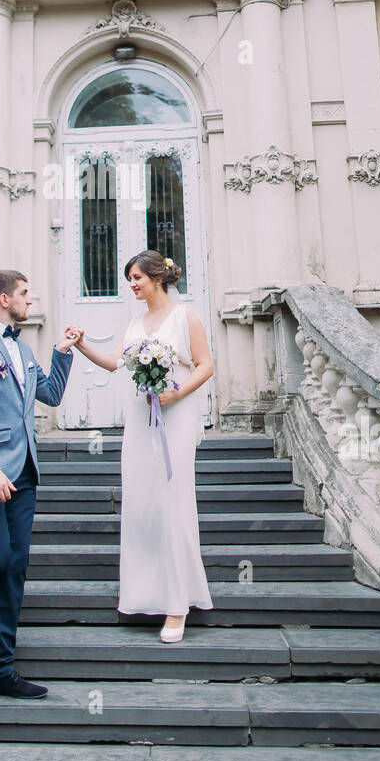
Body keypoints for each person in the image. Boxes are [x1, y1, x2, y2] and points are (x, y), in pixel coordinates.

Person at [0, 269, 81, 697]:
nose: (30, 299)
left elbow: (51, 394)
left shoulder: (22, 350)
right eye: (25, 293)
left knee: (15, 569)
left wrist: (62, 352)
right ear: (4, 299)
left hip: (24, 472)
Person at [71, 250, 214, 642]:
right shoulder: (134, 321)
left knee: (172, 501)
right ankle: (142, 594)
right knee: (142, 504)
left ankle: (176, 606)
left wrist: (176, 394)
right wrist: (83, 345)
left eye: (136, 277)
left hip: (176, 415)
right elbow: (116, 363)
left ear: (157, 277)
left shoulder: (186, 317)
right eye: (129, 279)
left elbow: (205, 365)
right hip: (140, 417)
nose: (132, 284)